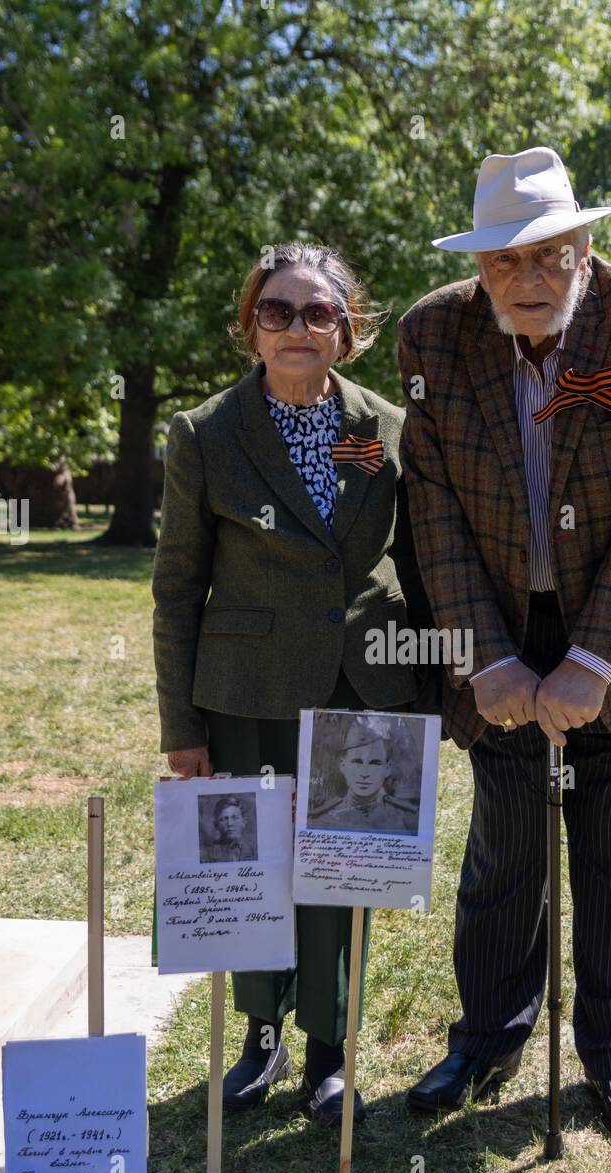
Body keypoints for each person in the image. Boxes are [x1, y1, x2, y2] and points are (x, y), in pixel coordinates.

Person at [398, 147, 611, 1149]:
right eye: (503, 263)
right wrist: (486, 660)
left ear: (584, 248)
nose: (527, 282)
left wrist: (593, 658)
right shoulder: (429, 335)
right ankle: (486, 1038)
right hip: (497, 621)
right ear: (478, 266)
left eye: (549, 256)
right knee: (503, 856)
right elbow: (431, 504)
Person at [152, 241, 434, 1125]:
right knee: (257, 870)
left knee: (344, 874)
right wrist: (181, 728)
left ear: (347, 332)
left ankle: (330, 1052)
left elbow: (422, 565)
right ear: (251, 328)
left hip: (366, 685)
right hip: (246, 689)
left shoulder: (389, 427)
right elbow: (176, 587)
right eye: (277, 311)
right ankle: (261, 1039)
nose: (298, 327)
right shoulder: (206, 433)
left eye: (319, 313)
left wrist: (429, 687)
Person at [308, 714, 419, 834]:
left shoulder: (407, 817)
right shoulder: (321, 817)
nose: (364, 773)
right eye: (356, 762)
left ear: (387, 768)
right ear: (342, 765)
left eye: (375, 763)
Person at [200, 795, 256, 863]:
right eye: (224, 819)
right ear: (216, 825)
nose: (230, 824)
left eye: (235, 818)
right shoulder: (207, 854)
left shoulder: (256, 850)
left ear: (244, 822)